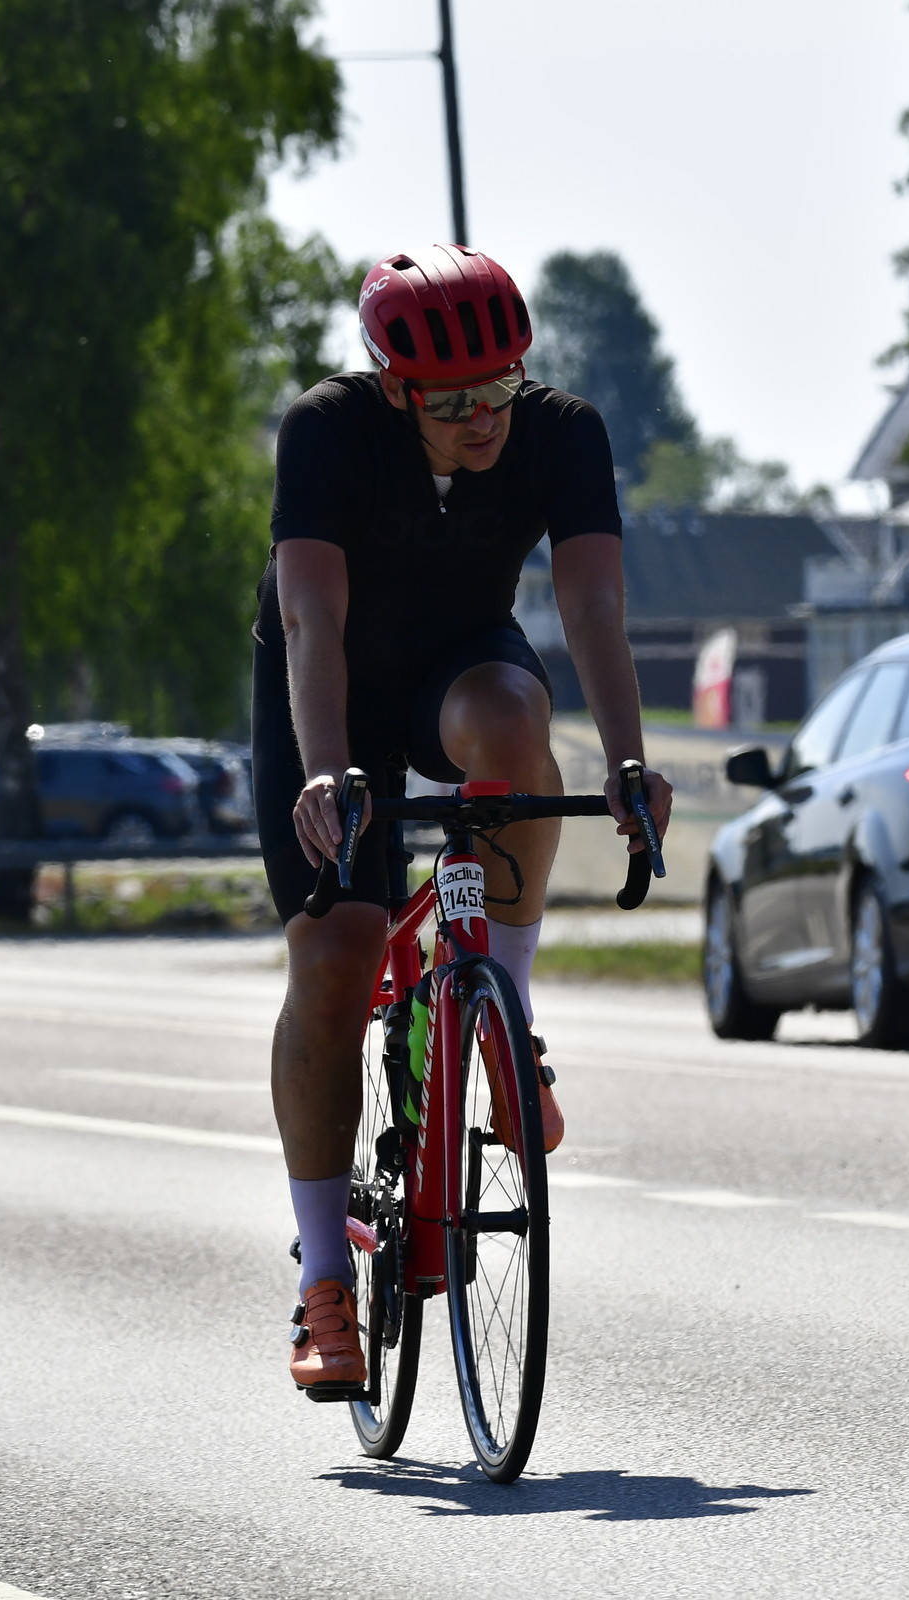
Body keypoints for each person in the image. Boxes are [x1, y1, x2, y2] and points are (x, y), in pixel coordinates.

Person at [252, 243, 674, 1396]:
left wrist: (628, 760)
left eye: (498, 390)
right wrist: (327, 774)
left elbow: (590, 602)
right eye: (451, 403)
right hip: (328, 684)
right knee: (336, 957)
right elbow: (309, 617)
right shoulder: (328, 429)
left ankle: (505, 1014)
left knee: (512, 721)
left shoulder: (560, 430)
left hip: (456, 665)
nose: (482, 419)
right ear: (396, 389)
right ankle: (325, 1279)